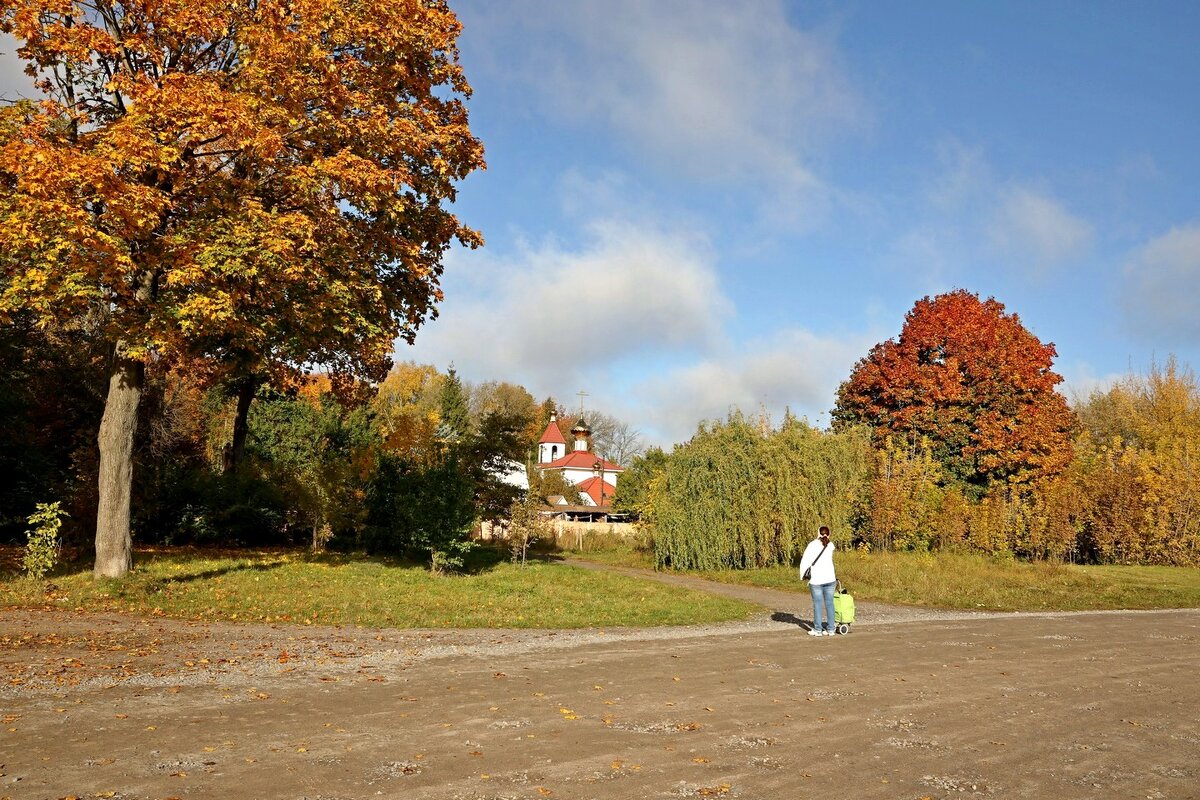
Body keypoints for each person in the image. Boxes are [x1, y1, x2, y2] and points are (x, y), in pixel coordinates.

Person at [798, 525, 837, 636]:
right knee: (830, 603)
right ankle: (830, 629)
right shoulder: (831, 545)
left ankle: (818, 630)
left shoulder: (812, 545)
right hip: (830, 578)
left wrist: (803, 575)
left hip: (816, 580)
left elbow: (805, 560)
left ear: (818, 533)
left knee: (817, 604)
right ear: (829, 534)